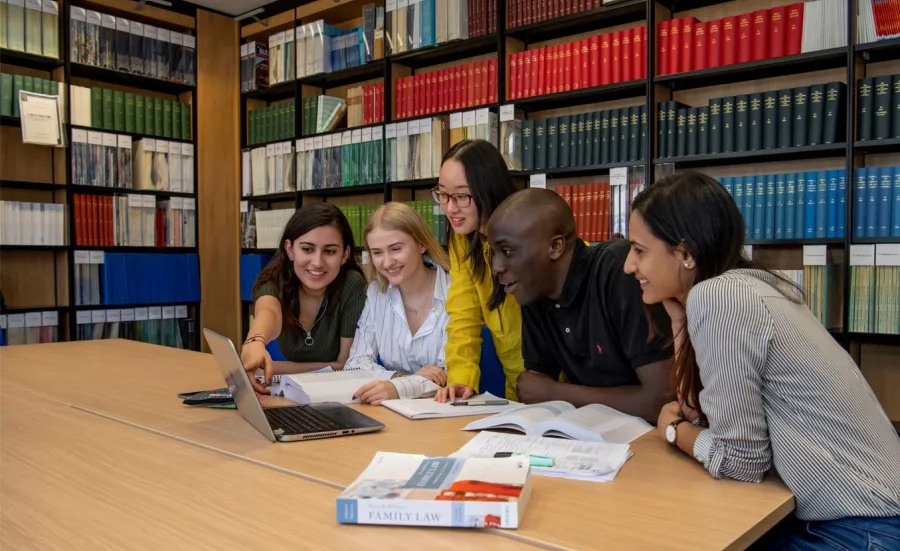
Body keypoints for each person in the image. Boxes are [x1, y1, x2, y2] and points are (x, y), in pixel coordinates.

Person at [623, 171, 900, 549]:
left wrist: (672, 433)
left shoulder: (720, 297)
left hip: (860, 528)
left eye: (639, 250)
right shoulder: (754, 286)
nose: (628, 265)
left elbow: (739, 461)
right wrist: (678, 322)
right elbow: (698, 413)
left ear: (685, 254)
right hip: (863, 515)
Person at [486, 188, 674, 423]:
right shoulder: (533, 288)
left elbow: (661, 399)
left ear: (555, 247)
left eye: (507, 251)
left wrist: (557, 392)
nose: (496, 267)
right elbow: (534, 389)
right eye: (493, 253)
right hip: (594, 437)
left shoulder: (619, 270)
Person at [433, 139, 525, 403]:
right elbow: (463, 315)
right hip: (516, 386)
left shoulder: (527, 232)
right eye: (443, 194)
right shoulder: (463, 238)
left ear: (489, 190)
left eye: (461, 196)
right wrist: (461, 377)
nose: (450, 208)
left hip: (560, 382)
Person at [241, 203, 367, 393]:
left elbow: (345, 364)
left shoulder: (352, 284)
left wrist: (272, 368)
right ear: (290, 249)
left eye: (330, 251)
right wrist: (256, 342)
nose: (317, 262)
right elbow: (268, 313)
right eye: (307, 249)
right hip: (294, 393)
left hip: (339, 394)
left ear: (345, 254)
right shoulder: (274, 278)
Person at [347, 202, 452, 405]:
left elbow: (448, 373)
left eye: (396, 249)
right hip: (395, 410)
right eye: (377, 252)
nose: (387, 263)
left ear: (421, 244)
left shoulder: (455, 291)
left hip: (447, 410)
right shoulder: (376, 293)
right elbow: (356, 363)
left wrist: (398, 387)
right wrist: (399, 380)